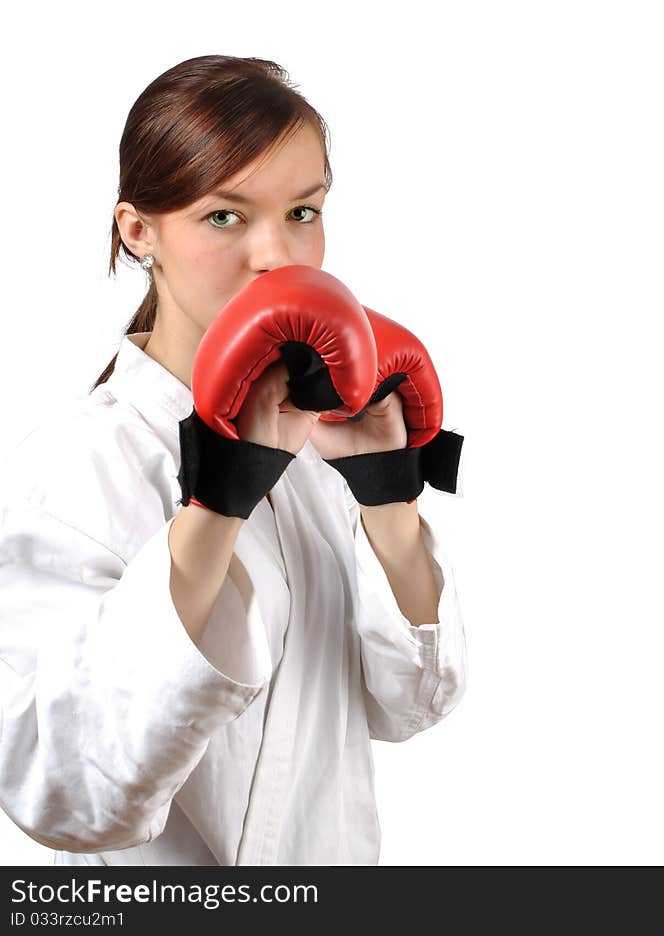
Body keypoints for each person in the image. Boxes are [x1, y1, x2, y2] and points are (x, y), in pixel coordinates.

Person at [0, 54, 467, 866]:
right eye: (225, 217)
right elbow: (63, 794)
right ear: (138, 231)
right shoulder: (72, 471)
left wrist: (387, 497)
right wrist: (216, 505)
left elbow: (413, 706)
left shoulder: (322, 443)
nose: (275, 255)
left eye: (302, 210)